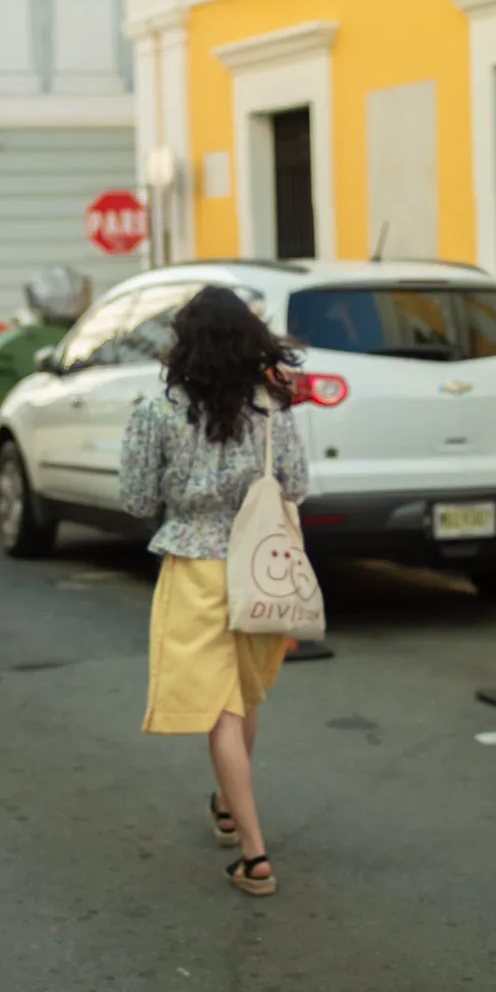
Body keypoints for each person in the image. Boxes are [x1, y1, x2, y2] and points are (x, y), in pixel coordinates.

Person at [120, 287, 308, 896]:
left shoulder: (158, 412)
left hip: (196, 566)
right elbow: (297, 484)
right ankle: (229, 806)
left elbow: (137, 500)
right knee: (245, 696)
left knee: (221, 710)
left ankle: (255, 856)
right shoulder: (273, 409)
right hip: (261, 563)